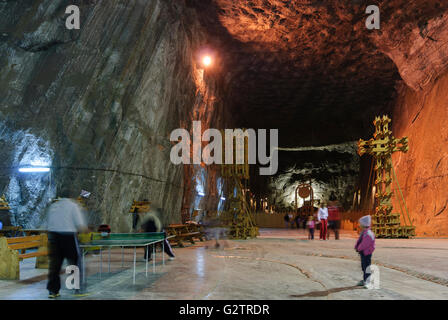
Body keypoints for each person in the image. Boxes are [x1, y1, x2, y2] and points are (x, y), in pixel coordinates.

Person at [46, 191, 87, 298]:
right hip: (69, 237)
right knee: (74, 263)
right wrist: (86, 231)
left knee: (55, 266)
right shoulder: (73, 206)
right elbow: (80, 225)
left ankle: (53, 291)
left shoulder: (53, 206)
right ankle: (77, 289)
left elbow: (48, 225)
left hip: (54, 238)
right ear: (71, 195)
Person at [355, 215, 376, 288]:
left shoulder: (368, 234)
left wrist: (358, 248)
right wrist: (356, 247)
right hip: (363, 253)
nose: (359, 225)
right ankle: (365, 280)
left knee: (367, 267)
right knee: (364, 267)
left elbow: (364, 244)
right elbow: (359, 241)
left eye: (360, 224)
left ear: (364, 224)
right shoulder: (364, 232)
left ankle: (368, 282)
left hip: (366, 253)